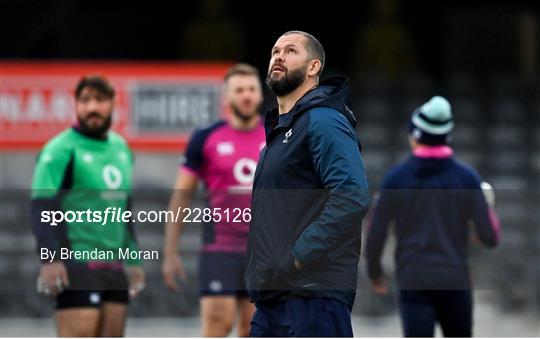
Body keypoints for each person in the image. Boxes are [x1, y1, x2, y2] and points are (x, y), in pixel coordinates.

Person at [245, 30, 371, 337]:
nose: (278, 56)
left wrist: (297, 258)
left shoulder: (324, 120)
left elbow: (352, 196)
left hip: (313, 297)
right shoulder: (281, 132)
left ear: (313, 67)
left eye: (290, 51)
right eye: (275, 51)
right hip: (274, 299)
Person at [365, 96, 501, 337]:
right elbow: (489, 237)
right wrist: (488, 210)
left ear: (415, 135)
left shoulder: (395, 179)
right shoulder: (467, 179)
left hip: (413, 278)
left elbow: (376, 233)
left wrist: (375, 273)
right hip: (454, 279)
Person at [31, 75, 145, 337]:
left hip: (114, 266)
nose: (92, 107)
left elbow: (124, 207)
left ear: (113, 104)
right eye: (85, 100)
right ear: (76, 104)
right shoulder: (60, 149)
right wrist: (50, 257)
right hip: (77, 265)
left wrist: (134, 258)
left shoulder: (121, 148)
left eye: (100, 100)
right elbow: (41, 205)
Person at [162, 63, 265, 337]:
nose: (246, 95)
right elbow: (182, 195)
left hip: (264, 251)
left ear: (260, 95)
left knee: (253, 329)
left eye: (252, 89)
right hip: (220, 249)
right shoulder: (205, 137)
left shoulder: (276, 136)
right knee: (218, 325)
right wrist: (170, 252)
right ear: (226, 98)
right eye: (239, 90)